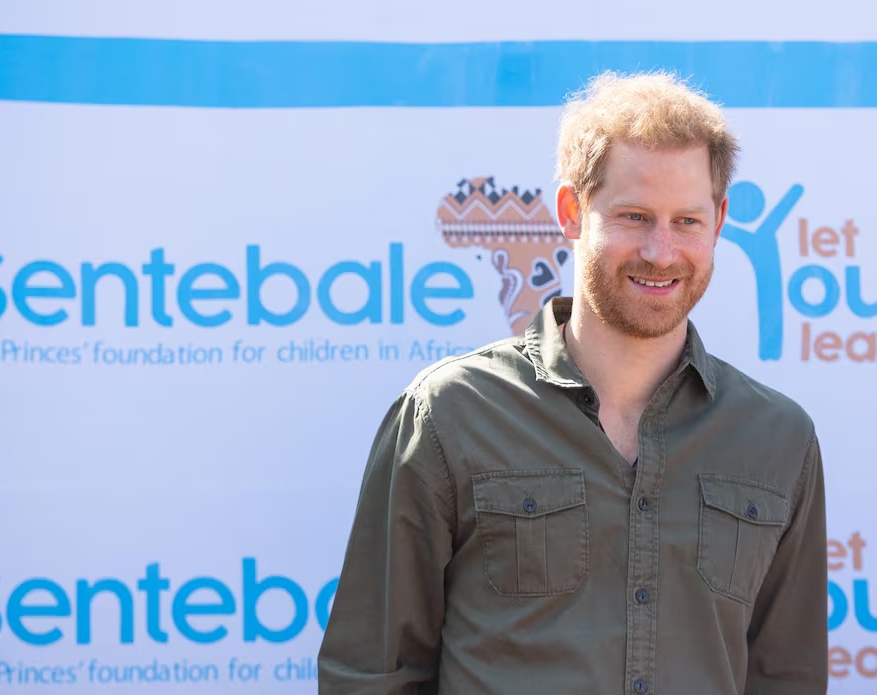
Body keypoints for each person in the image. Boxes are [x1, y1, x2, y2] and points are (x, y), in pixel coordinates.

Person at [318, 71, 827, 695]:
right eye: (634, 216)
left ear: (719, 221)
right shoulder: (449, 415)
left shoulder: (778, 439)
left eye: (687, 221)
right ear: (570, 212)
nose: (662, 252)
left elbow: (788, 678)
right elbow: (372, 673)